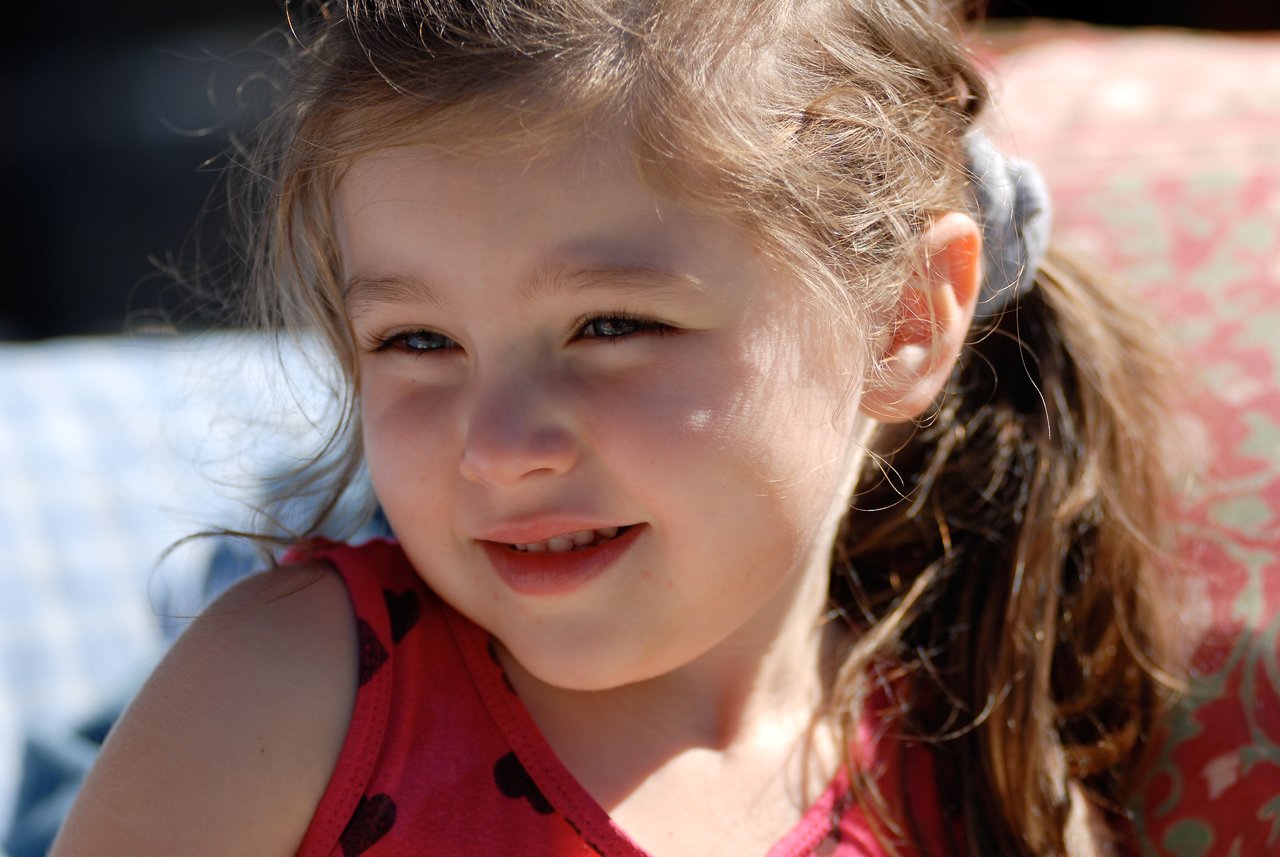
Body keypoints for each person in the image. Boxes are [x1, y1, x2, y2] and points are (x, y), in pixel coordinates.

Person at [51, 1, 1183, 854]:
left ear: (898, 319)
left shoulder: (970, 770)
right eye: (414, 341)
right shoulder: (290, 691)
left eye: (607, 325)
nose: (496, 444)